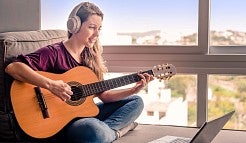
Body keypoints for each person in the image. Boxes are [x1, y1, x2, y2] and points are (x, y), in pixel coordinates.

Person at [5, 1, 153, 143]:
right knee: (92, 129)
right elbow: (13, 68)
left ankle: (105, 133)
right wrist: (51, 85)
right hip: (61, 123)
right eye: (92, 27)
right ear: (74, 25)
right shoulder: (54, 52)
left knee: (136, 101)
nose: (96, 34)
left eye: (99, 29)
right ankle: (116, 131)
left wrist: (134, 89)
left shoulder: (92, 58)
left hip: (83, 115)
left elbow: (105, 96)